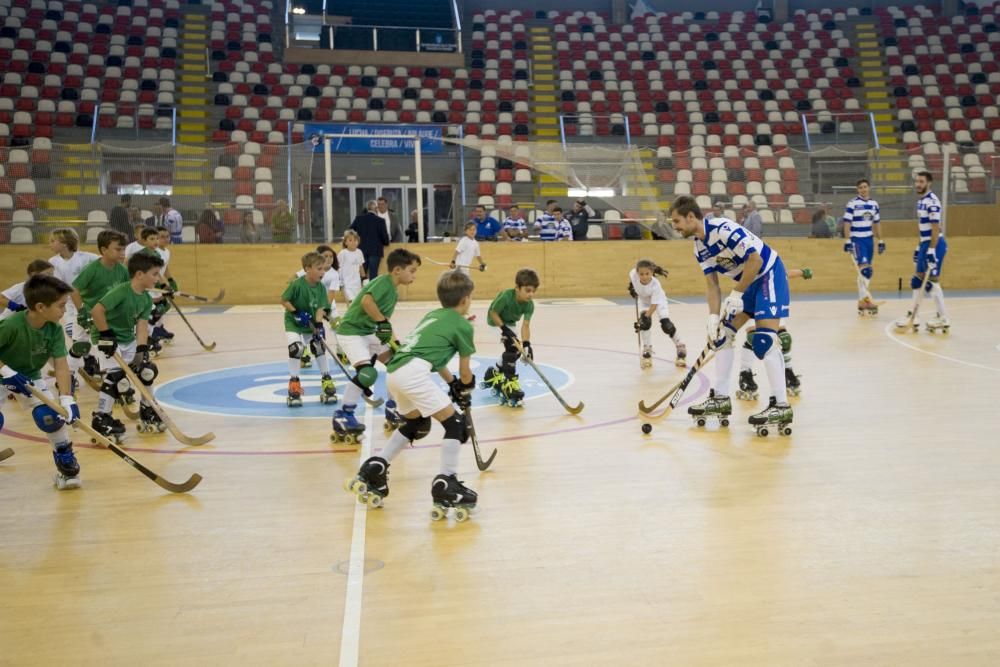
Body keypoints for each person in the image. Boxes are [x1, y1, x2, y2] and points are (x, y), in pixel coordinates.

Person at [344, 270, 479, 518]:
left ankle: (376, 467)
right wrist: (465, 387)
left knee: (416, 423)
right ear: (465, 300)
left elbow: (435, 360)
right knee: (455, 425)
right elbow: (465, 370)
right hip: (414, 373)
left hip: (395, 372)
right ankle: (446, 482)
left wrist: (453, 384)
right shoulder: (463, 325)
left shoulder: (433, 316)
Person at [668, 195, 793, 436]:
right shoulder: (699, 246)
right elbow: (712, 286)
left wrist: (736, 293)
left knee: (764, 341)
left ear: (691, 217)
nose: (675, 226)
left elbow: (755, 260)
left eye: (677, 221)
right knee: (723, 337)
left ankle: (781, 405)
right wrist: (713, 317)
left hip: (767, 275)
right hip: (747, 284)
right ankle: (721, 398)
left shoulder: (724, 229)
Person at [0, 274, 84, 489]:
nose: (65, 311)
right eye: (61, 306)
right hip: (1, 372)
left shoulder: (54, 329)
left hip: (29, 376)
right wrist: (7, 371)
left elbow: (61, 365)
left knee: (50, 416)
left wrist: (66, 399)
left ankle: (65, 459)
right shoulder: (10, 325)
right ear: (40, 307)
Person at [332, 248, 421, 443]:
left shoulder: (393, 292)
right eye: (412, 271)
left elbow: (384, 323)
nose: (414, 276)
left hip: (369, 332)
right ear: (397, 270)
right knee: (367, 374)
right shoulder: (384, 282)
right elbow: (366, 301)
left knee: (398, 363)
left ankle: (393, 408)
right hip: (352, 332)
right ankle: (343, 415)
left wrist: (395, 343)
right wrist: (380, 322)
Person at [90, 251, 165, 441]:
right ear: (140, 274)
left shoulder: (146, 299)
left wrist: (141, 349)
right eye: (155, 274)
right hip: (105, 337)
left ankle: (148, 409)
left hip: (127, 339)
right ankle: (101, 417)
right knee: (116, 379)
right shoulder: (122, 291)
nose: (158, 278)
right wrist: (106, 334)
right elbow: (97, 311)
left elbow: (141, 326)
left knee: (147, 370)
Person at [736, 267, 812, 402]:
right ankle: (745, 373)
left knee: (784, 340)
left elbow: (786, 274)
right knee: (754, 339)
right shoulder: (750, 272)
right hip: (754, 303)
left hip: (773, 304)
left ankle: (787, 372)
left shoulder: (772, 270)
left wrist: (802, 272)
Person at [70, 230, 129, 382]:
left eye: (124, 249)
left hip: (105, 318)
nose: (122, 253)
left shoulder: (122, 270)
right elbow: (74, 289)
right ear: (103, 250)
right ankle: (69, 375)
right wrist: (81, 310)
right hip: (87, 314)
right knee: (80, 347)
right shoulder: (92, 269)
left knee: (107, 348)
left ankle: (112, 376)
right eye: (118, 249)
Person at [280, 251, 337, 407]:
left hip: (310, 323)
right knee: (296, 348)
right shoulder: (297, 284)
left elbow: (320, 308)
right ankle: (294, 383)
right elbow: (284, 300)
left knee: (318, 346)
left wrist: (318, 325)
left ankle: (326, 379)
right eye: (319, 269)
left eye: (324, 269)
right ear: (307, 269)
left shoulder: (320, 288)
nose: (322, 272)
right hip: (293, 322)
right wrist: (296, 312)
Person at [896, 171, 949, 332]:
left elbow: (935, 229)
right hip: (926, 244)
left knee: (931, 280)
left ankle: (943, 317)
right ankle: (914, 316)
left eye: (921, 182)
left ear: (929, 183)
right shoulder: (921, 201)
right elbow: (924, 230)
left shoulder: (932, 202)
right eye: (916, 181)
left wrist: (931, 250)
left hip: (935, 244)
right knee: (917, 281)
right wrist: (919, 248)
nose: (918, 184)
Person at [482, 268, 540, 407]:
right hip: (495, 323)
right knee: (511, 347)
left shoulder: (529, 305)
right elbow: (493, 313)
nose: (531, 294)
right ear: (517, 288)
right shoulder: (506, 296)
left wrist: (527, 344)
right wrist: (503, 329)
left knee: (516, 351)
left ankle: (494, 373)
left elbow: (525, 325)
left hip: (510, 324)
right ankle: (509, 384)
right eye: (527, 290)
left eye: (533, 291)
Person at [48, 228, 99, 378]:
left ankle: (90, 361)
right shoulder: (53, 262)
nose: (49, 244)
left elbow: (104, 264)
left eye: (53, 241)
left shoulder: (87, 258)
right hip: (70, 305)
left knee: (91, 334)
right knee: (73, 333)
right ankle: (89, 358)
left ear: (64, 243)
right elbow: (61, 286)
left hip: (90, 302)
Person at [628, 259, 687, 368]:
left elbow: (653, 306)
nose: (644, 277)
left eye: (647, 274)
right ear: (637, 273)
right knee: (646, 326)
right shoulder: (633, 274)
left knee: (666, 325)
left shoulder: (655, 285)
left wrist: (643, 319)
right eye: (641, 274)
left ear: (652, 273)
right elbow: (632, 280)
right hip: (644, 301)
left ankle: (680, 346)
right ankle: (647, 350)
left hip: (658, 302)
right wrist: (632, 287)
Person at [842, 179, 885, 316]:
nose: (863, 189)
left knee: (866, 271)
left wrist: (881, 240)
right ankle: (866, 300)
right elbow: (847, 223)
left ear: (869, 188)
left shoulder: (874, 204)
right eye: (860, 187)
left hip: (869, 240)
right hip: (857, 240)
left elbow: (877, 223)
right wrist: (847, 240)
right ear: (857, 189)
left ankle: (862, 301)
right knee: (865, 271)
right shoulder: (853, 204)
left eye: (865, 187)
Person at [348, 200, 390, 279]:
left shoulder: (359, 219)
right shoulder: (380, 221)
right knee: (373, 275)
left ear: (367, 208)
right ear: (376, 209)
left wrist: (355, 241)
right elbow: (385, 238)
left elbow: (350, 231)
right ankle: (372, 291)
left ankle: (360, 291)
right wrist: (386, 243)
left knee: (361, 274)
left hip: (361, 250)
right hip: (375, 251)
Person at [337, 230, 366, 305]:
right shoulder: (343, 253)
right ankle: (349, 315)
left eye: (355, 240)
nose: (353, 242)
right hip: (346, 282)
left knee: (357, 301)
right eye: (350, 240)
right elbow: (338, 267)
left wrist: (364, 279)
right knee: (350, 301)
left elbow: (360, 266)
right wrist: (339, 280)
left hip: (357, 282)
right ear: (345, 242)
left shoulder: (359, 252)